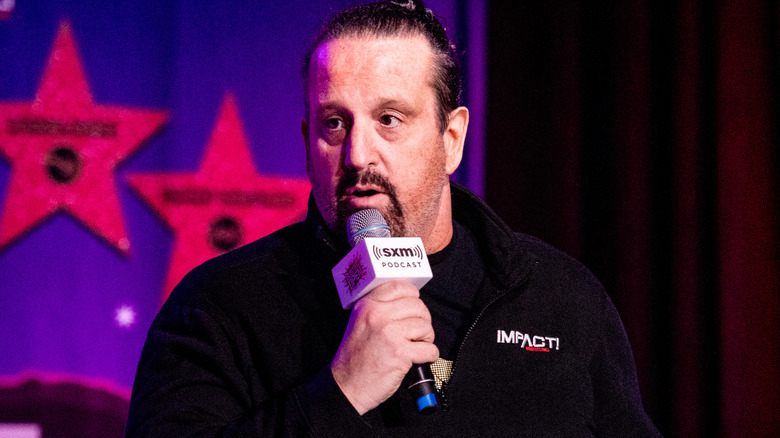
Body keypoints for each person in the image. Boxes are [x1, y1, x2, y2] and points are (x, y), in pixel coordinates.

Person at [126, 1, 662, 436]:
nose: (357, 154)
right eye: (334, 123)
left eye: (389, 119)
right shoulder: (220, 307)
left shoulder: (559, 298)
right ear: (306, 141)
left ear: (450, 140)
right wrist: (340, 394)